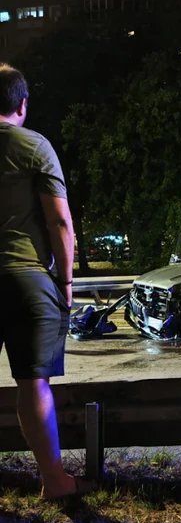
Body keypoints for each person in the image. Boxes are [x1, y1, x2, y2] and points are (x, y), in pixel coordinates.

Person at [0, 64, 95, 500]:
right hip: (27, 279)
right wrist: (66, 282)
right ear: (21, 104)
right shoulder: (34, 147)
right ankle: (54, 481)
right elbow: (59, 221)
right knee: (33, 381)